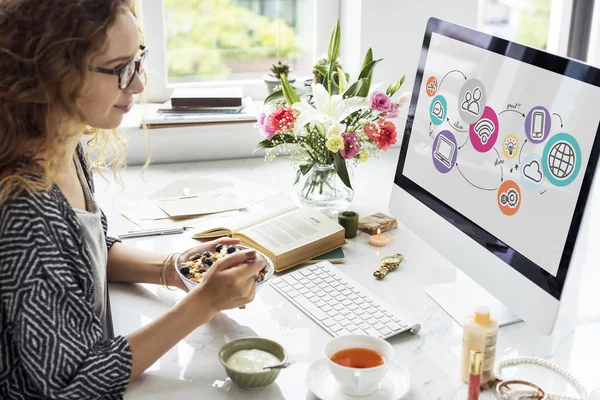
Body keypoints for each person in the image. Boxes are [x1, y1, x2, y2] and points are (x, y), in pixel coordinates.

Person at [0, 1, 265, 398]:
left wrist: (173, 268)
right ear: (55, 73)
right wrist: (204, 304)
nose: (139, 84)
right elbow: (72, 384)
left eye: (139, 60)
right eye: (121, 68)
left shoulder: (62, 144)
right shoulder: (24, 210)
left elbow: (82, 258)